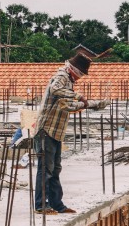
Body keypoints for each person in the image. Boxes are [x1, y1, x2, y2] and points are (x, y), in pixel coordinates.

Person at [34, 54, 93, 215]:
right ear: (76, 71)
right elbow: (55, 89)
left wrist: (87, 104)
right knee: (45, 169)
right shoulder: (61, 76)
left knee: (55, 169)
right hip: (46, 130)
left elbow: (66, 105)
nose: (80, 78)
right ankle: (41, 205)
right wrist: (78, 96)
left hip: (56, 131)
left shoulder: (69, 81)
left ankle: (57, 204)